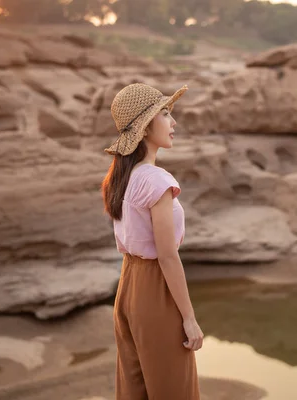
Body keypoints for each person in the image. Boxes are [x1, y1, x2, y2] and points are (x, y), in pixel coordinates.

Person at [101, 83, 203, 400]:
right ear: (145, 128)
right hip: (155, 290)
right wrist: (189, 318)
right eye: (166, 114)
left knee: (135, 390)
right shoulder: (157, 180)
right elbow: (167, 256)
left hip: (128, 287)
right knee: (175, 391)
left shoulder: (122, 177)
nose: (173, 123)